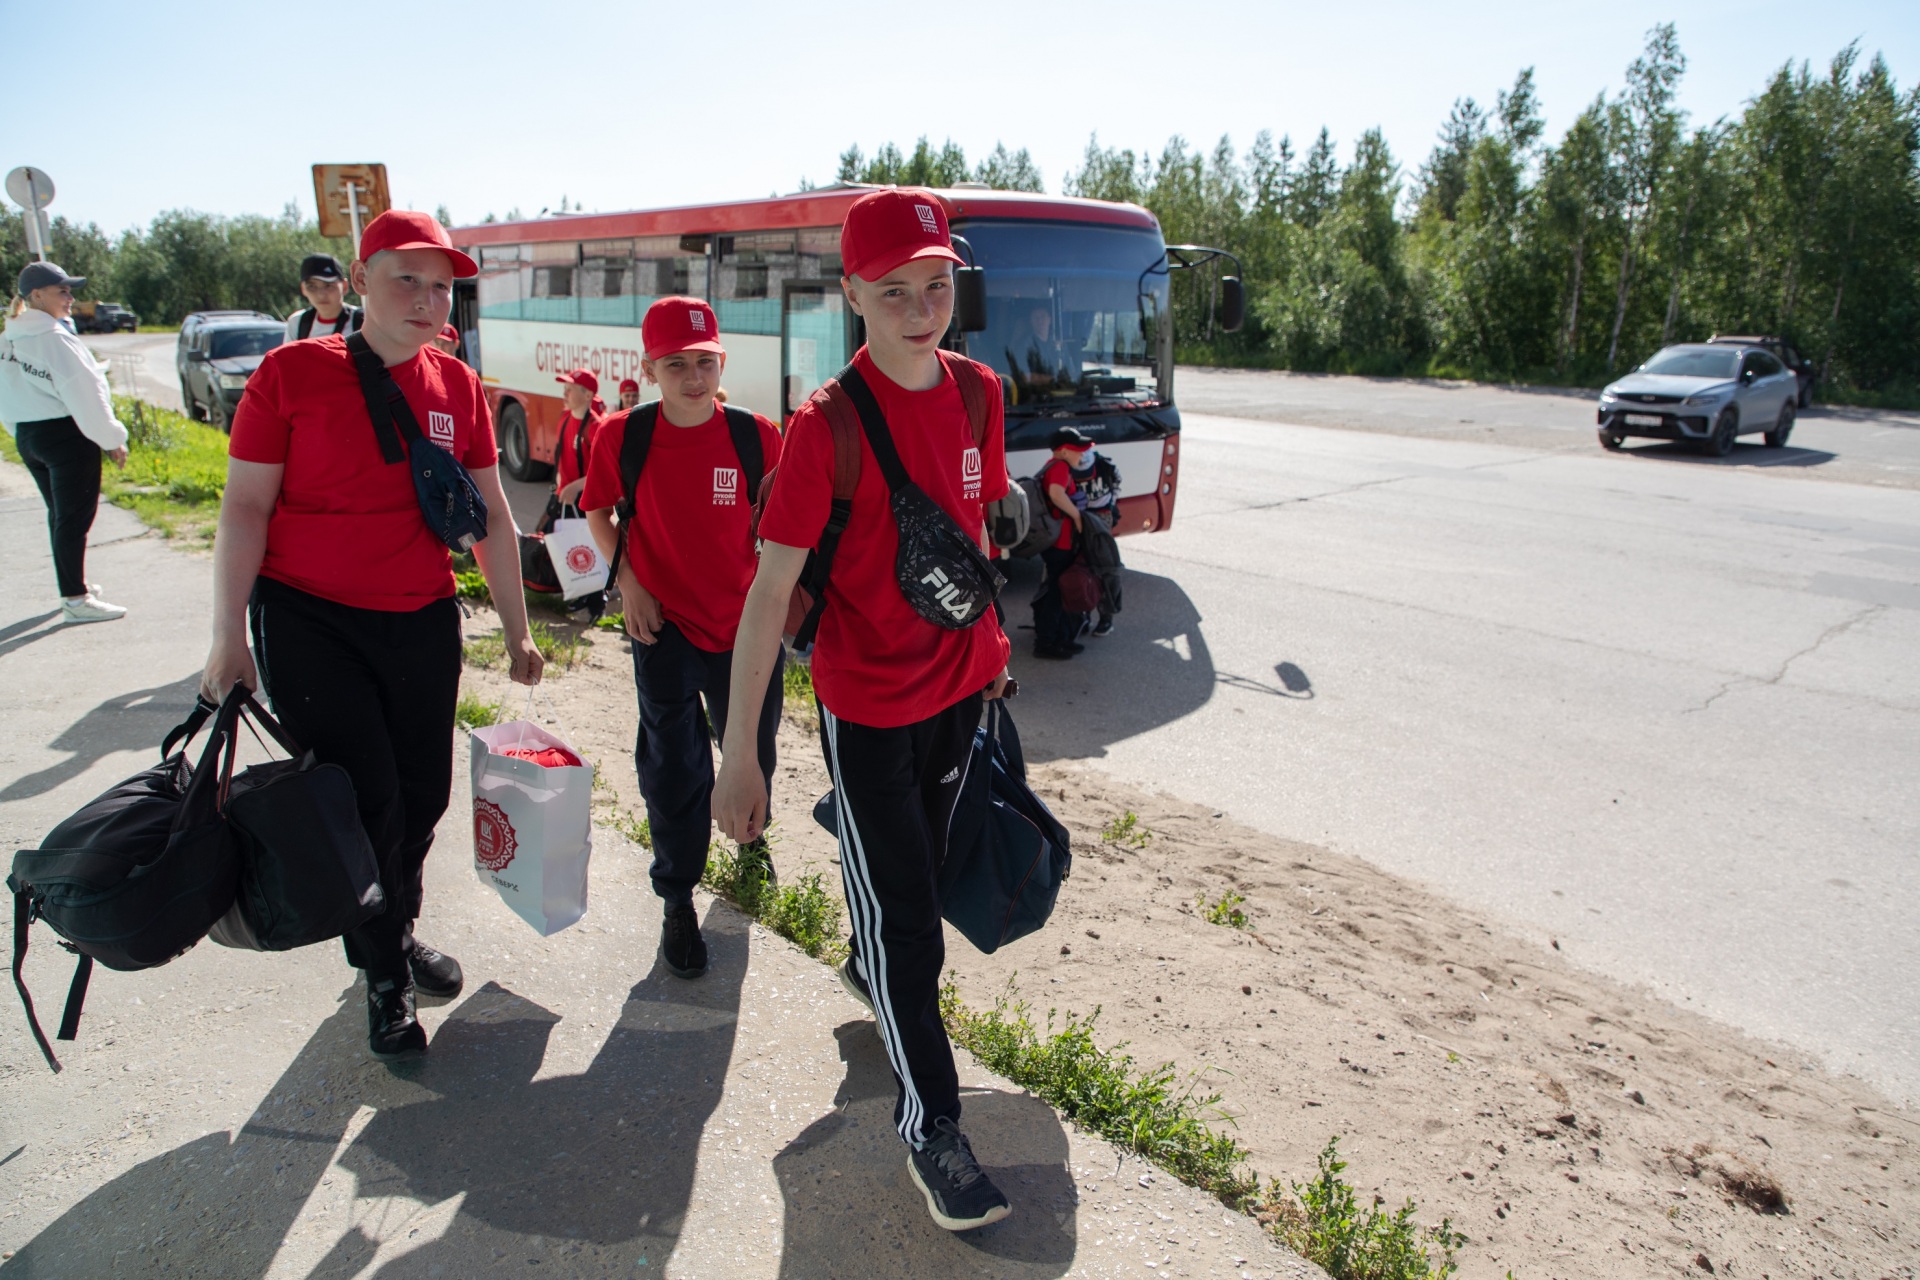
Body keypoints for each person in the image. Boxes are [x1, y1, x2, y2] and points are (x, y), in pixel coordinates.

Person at [713, 188, 1016, 1232]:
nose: (922, 308)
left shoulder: (980, 395)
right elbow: (766, 599)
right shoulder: (824, 429)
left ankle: (870, 941)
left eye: (937, 285)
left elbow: (972, 521)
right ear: (852, 294)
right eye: (895, 292)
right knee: (909, 927)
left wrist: (992, 661)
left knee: (915, 881)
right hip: (871, 701)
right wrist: (739, 753)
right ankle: (933, 1124)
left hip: (959, 691)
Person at [200, 209, 544, 1061]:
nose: (428, 300)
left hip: (420, 617)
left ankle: (394, 922)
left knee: (422, 797)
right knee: (368, 799)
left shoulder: (457, 385)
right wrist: (227, 639)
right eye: (407, 279)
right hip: (310, 617)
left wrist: (518, 630)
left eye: (442, 285)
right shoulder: (289, 375)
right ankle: (384, 975)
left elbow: (493, 516)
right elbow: (245, 509)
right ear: (359, 283)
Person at [582, 297, 785, 980]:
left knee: (749, 746)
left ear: (720, 362)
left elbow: (789, 531)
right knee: (674, 770)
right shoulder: (621, 435)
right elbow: (598, 513)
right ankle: (676, 898)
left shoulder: (757, 436)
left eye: (704, 363)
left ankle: (752, 840)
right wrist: (630, 583)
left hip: (745, 630)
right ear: (651, 368)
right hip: (661, 626)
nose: (692, 378)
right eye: (676, 365)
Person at [0, 262, 131, 622]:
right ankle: (75, 600)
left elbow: (5, 390)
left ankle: (75, 585)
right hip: (66, 436)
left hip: (29, 435)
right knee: (73, 519)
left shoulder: (8, 337)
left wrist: (20, 432)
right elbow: (86, 392)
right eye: (63, 291)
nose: (71, 298)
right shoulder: (54, 339)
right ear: (37, 296)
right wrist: (112, 438)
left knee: (59, 516)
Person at [1030, 426, 1090, 659]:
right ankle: (1046, 643)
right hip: (1060, 542)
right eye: (1078, 450)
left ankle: (1059, 638)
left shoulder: (1052, 465)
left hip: (1055, 540)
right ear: (1065, 451)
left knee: (1055, 589)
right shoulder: (1061, 467)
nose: (1082, 455)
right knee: (1056, 592)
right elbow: (1056, 494)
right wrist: (1076, 515)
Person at [1066, 442, 1121, 637]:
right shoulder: (1068, 467)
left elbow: (1116, 484)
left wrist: (1111, 506)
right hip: (1078, 518)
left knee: (1105, 568)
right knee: (1079, 568)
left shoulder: (1105, 466)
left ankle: (1106, 617)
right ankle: (1083, 613)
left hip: (1101, 519)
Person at [548, 368, 603, 517]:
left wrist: (575, 487)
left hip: (585, 506)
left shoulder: (595, 427)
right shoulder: (565, 417)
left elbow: (605, 470)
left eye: (570, 390)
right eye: (565, 389)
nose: (565, 393)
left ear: (588, 395)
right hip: (563, 498)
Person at [283, 254, 363, 342]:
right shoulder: (297, 323)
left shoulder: (363, 321)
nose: (321, 294)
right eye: (312, 286)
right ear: (303, 289)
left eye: (328, 286)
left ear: (344, 286)